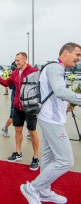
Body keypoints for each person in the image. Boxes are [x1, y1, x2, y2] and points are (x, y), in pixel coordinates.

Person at [20, 42, 81, 204]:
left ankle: (45, 191)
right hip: (52, 121)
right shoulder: (56, 67)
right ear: (66, 53)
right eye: (77, 55)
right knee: (66, 161)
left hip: (49, 118)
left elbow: (54, 93)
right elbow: (60, 91)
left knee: (49, 156)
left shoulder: (55, 68)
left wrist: (65, 105)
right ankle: (32, 188)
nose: (78, 59)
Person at [0, 52, 40, 171]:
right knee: (18, 130)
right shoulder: (15, 72)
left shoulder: (33, 71)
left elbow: (40, 88)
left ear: (25, 60)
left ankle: (36, 157)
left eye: (18, 60)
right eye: (15, 60)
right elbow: (7, 83)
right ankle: (18, 153)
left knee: (32, 132)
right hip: (17, 106)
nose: (16, 62)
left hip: (30, 107)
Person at [2, 62, 16, 137]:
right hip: (15, 97)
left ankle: (29, 133)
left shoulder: (24, 73)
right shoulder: (12, 75)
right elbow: (10, 86)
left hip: (24, 98)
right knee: (12, 116)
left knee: (28, 116)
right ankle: (5, 128)